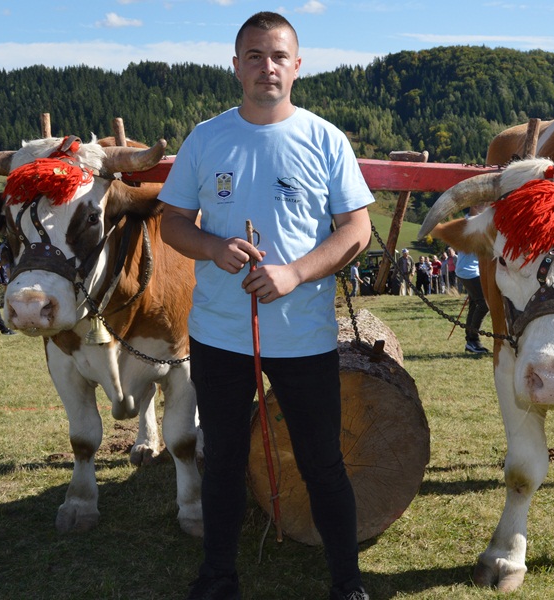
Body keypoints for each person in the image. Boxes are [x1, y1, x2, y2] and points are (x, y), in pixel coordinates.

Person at [158, 12, 372, 600]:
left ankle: (347, 583)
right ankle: (218, 578)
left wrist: (295, 273)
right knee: (223, 459)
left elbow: (357, 228)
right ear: (236, 66)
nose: (266, 66)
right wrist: (212, 247)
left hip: (303, 336)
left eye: (278, 56)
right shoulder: (205, 138)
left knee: (322, 463)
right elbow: (173, 222)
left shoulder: (326, 139)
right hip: (219, 335)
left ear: (297, 66)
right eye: (254, 55)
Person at [455, 249, 490, 353]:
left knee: (475, 304)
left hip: (470, 270)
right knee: (484, 303)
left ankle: (470, 340)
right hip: (469, 271)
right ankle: (473, 339)